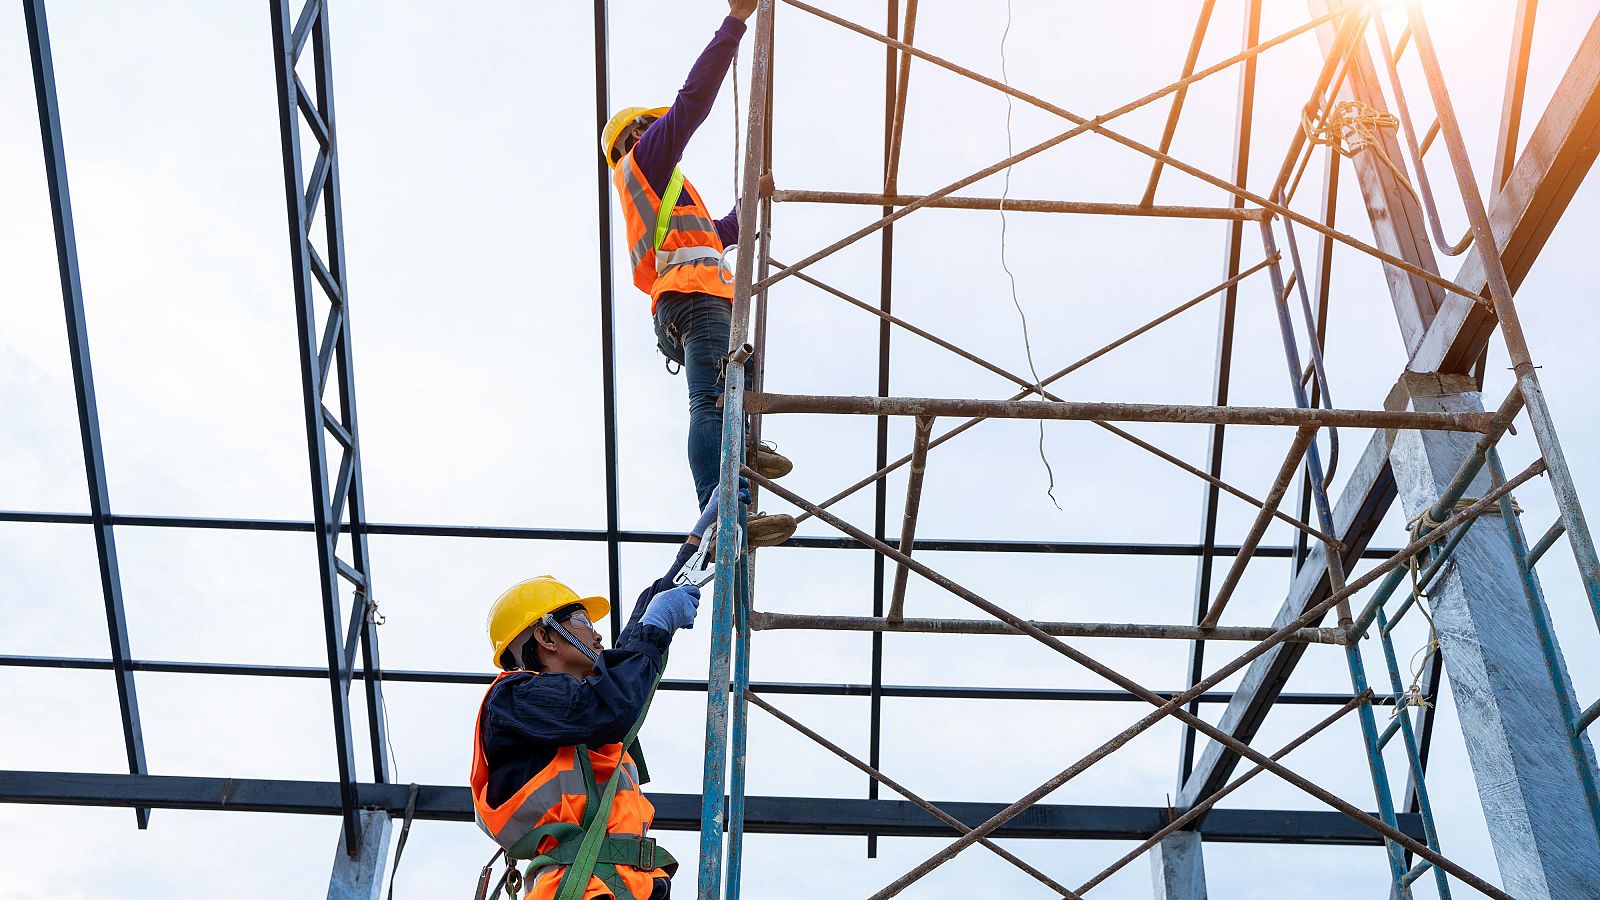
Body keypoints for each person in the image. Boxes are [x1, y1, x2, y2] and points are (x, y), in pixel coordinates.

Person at [601, 0, 795, 548]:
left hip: (694, 297)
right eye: (650, 124)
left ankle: (742, 452)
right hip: (691, 295)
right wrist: (735, 22)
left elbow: (722, 231)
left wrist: (753, 203)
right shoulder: (644, 159)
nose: (660, 127)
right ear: (635, 134)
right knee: (711, 400)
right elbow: (692, 104)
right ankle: (724, 511)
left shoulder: (665, 193)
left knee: (738, 380)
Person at [469, 496, 729, 899]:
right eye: (584, 621)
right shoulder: (513, 700)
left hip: (618, 886)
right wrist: (657, 627)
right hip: (580, 888)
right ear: (546, 636)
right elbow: (607, 703)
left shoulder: (571, 713)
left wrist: (697, 545)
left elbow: (630, 651)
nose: (597, 634)